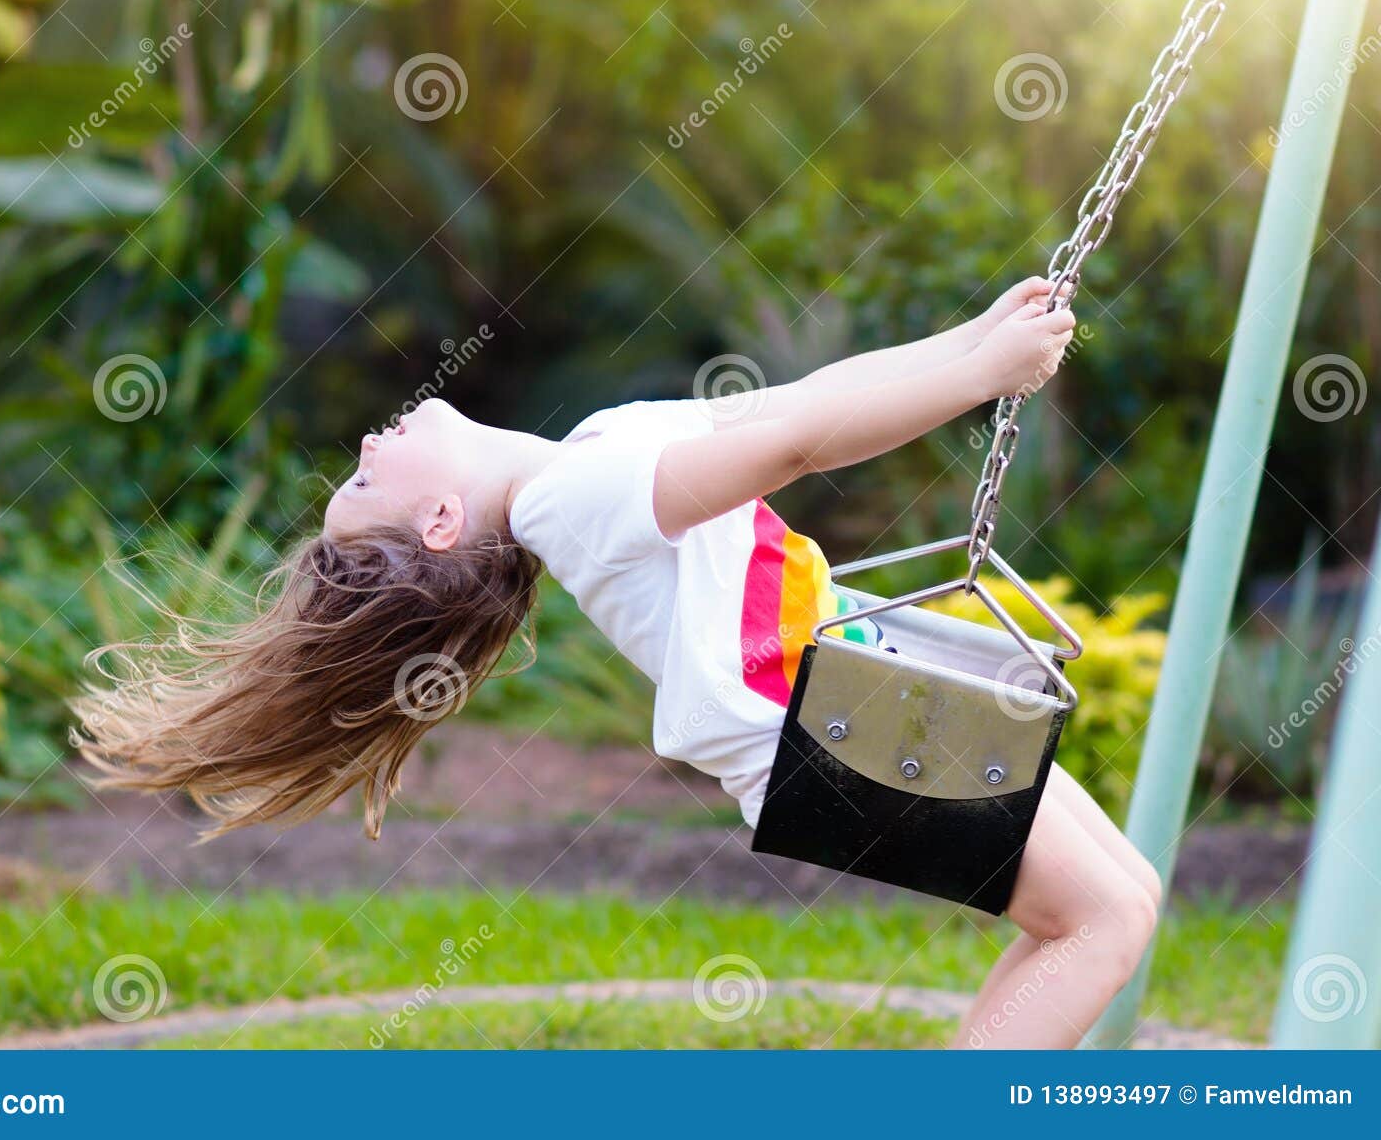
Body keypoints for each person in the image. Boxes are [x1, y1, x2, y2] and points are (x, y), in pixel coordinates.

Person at [74, 275, 1159, 1048]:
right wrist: (977, 378)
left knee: (1117, 901)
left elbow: (798, 401)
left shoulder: (595, 447)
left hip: (848, 700)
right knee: (1103, 918)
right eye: (366, 485)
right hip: (827, 727)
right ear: (445, 519)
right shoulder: (570, 502)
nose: (364, 447)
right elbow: (796, 446)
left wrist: (969, 343)